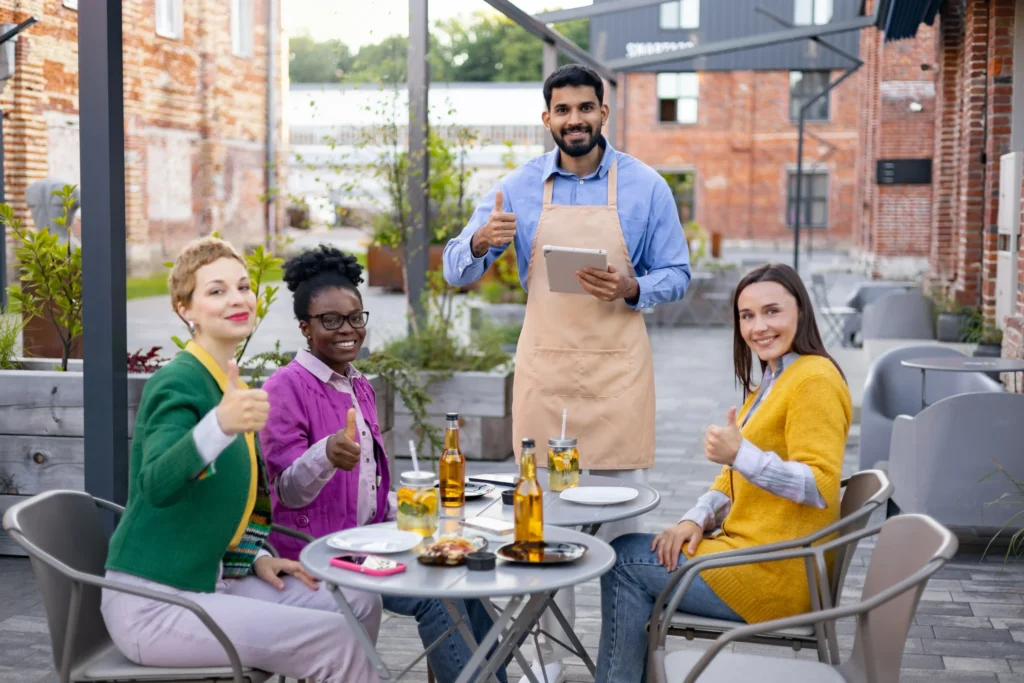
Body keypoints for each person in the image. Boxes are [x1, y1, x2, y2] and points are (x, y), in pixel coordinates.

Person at [442, 63, 692, 683]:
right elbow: (454, 270)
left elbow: (679, 274)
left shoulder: (645, 187)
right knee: (544, 535)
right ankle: (547, 668)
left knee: (622, 542)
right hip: (545, 378)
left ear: (603, 114)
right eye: (563, 110)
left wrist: (634, 285)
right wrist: (479, 243)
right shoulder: (518, 188)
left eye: (586, 108)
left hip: (618, 379)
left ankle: (619, 666)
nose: (575, 120)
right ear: (547, 118)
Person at [101, 237, 382, 683]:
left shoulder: (226, 381)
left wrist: (252, 558)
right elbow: (156, 483)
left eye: (243, 286)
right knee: (336, 640)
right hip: (156, 603)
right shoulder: (177, 383)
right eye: (216, 291)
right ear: (184, 308)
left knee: (360, 600)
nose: (237, 298)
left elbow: (219, 504)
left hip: (213, 579)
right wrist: (221, 424)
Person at [259, 244, 508, 683]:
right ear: (304, 327)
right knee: (437, 597)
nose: (347, 330)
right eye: (330, 320)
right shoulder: (285, 387)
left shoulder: (360, 386)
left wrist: (411, 506)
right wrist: (326, 453)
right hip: (318, 554)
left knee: (470, 578)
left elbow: (367, 490)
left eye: (355, 318)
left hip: (372, 543)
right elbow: (285, 491)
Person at [595, 263, 852, 683]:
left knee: (623, 560)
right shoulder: (776, 377)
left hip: (774, 574)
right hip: (751, 556)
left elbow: (819, 485)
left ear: (801, 312)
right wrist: (693, 518)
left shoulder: (814, 379)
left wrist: (741, 454)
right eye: (747, 316)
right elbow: (731, 481)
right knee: (629, 549)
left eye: (772, 312)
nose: (758, 327)